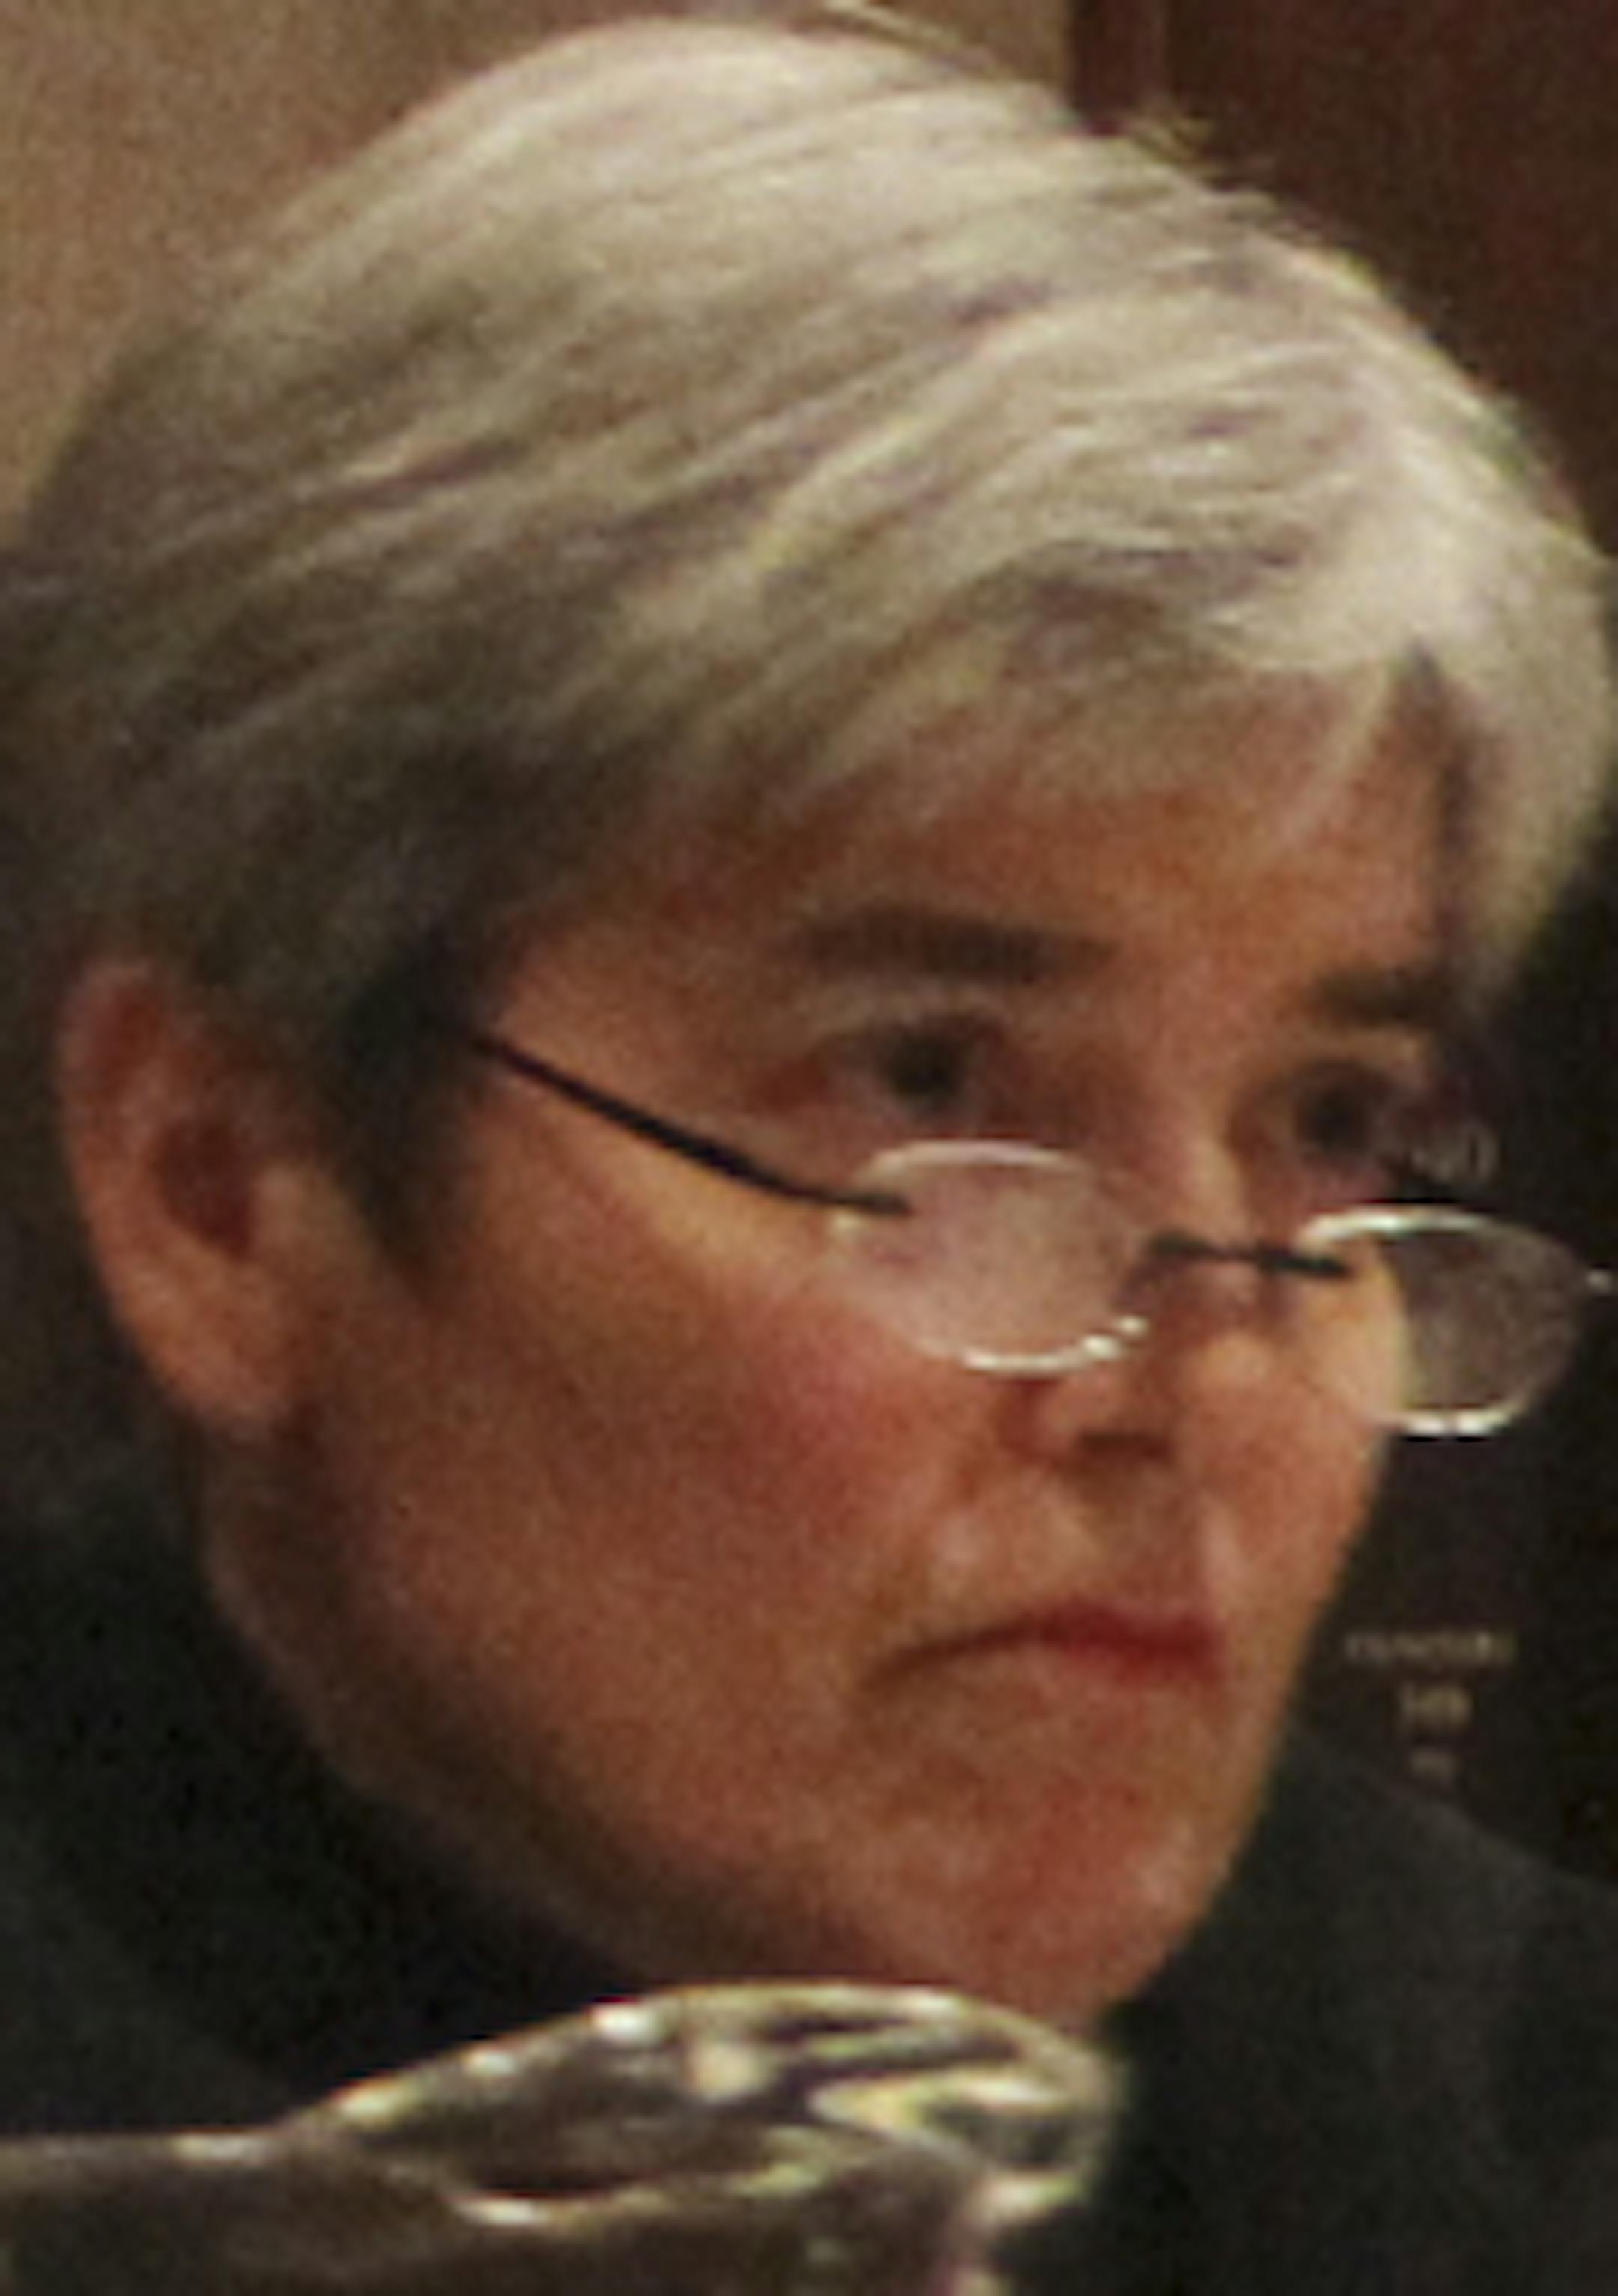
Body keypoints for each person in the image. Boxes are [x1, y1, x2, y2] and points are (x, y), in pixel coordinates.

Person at [0, 6, 1614, 2286]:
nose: (1210, 1372)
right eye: (933, 1092)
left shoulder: (1506, 2129)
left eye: (1327, 1124)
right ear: (218, 1185)